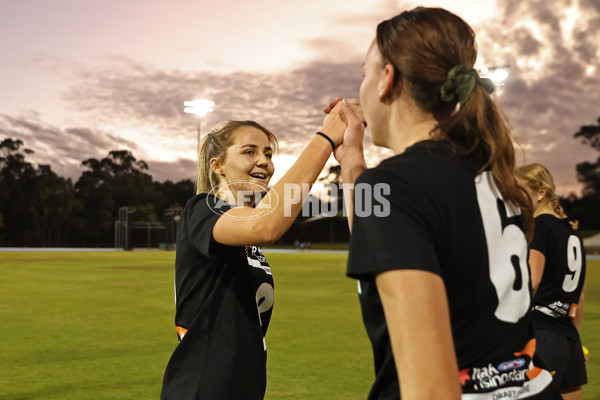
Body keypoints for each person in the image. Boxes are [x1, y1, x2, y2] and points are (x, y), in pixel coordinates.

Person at [328, 6, 562, 399]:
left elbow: (432, 389)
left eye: (364, 72)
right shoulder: (493, 172)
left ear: (387, 80)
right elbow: (381, 232)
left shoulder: (398, 186)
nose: (362, 87)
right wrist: (352, 157)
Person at [160, 107, 347, 399]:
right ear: (217, 165)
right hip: (201, 389)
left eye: (269, 154)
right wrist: (325, 139)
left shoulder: (243, 232)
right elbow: (267, 224)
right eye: (249, 152)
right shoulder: (202, 209)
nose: (264, 161)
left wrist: (351, 158)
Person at [517, 163, 587, 400]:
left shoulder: (538, 227)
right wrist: (574, 341)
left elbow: (532, 282)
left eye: (520, 192)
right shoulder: (571, 232)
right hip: (567, 338)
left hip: (542, 335)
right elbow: (581, 295)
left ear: (541, 192)